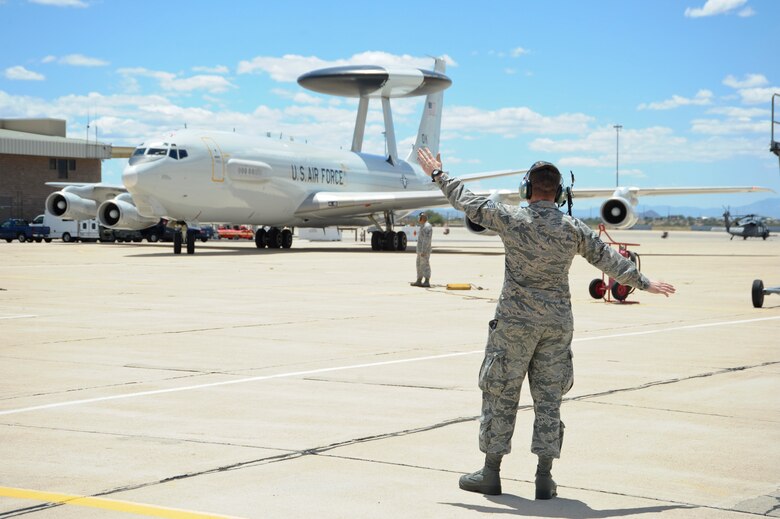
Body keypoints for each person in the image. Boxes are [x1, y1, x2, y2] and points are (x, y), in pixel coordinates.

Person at [417, 147, 675, 499]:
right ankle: (544, 477)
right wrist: (645, 282)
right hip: (556, 325)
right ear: (560, 193)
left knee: (501, 393)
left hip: (514, 325)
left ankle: (491, 474)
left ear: (527, 190)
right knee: (549, 399)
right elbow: (609, 259)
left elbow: (468, 202)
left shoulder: (512, 218)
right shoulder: (573, 228)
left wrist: (438, 175)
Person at [411, 212, 433, 288]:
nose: (418, 219)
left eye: (419, 217)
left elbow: (426, 240)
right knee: (419, 265)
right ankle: (419, 280)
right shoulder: (423, 226)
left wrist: (423, 251)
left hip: (424, 251)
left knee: (425, 265)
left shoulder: (427, 226)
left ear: (422, 218)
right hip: (420, 251)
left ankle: (427, 281)